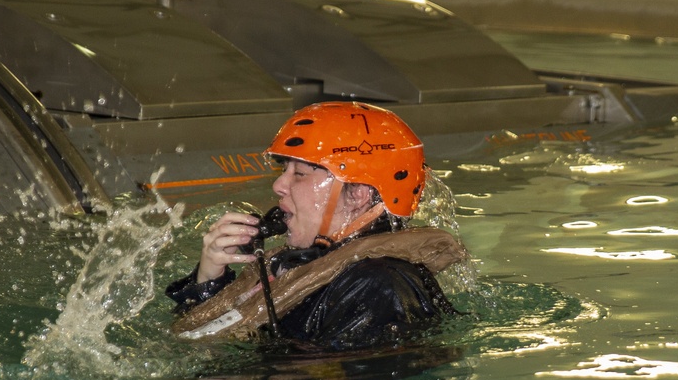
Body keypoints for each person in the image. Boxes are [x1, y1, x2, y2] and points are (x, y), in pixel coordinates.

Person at [166, 101, 466, 350]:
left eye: (299, 174)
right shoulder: (305, 266)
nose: (279, 185)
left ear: (358, 195)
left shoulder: (377, 287)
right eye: (285, 171)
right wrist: (210, 278)